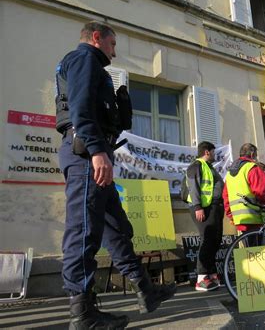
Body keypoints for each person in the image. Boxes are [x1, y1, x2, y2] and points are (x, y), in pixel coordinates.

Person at [55, 21, 176, 329]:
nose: (115, 51)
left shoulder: (93, 65)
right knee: (84, 231)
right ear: (97, 38)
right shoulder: (83, 58)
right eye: (112, 44)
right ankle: (82, 315)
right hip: (87, 155)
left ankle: (145, 290)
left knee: (117, 227)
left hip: (95, 154)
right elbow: (81, 109)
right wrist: (97, 152)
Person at [186, 141, 224, 292]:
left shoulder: (209, 167)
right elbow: (193, 186)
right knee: (207, 240)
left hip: (213, 207)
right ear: (207, 152)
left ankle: (211, 275)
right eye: (213, 152)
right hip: (203, 208)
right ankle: (201, 278)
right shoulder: (196, 166)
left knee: (215, 241)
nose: (215, 155)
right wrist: (198, 207)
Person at [223, 143, 265, 233]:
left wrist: (231, 215)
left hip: (238, 219)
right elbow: (260, 191)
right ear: (252, 154)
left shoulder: (229, 174)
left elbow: (226, 197)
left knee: (248, 246)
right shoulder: (252, 168)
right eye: (256, 155)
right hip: (254, 217)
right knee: (259, 246)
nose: (256, 158)